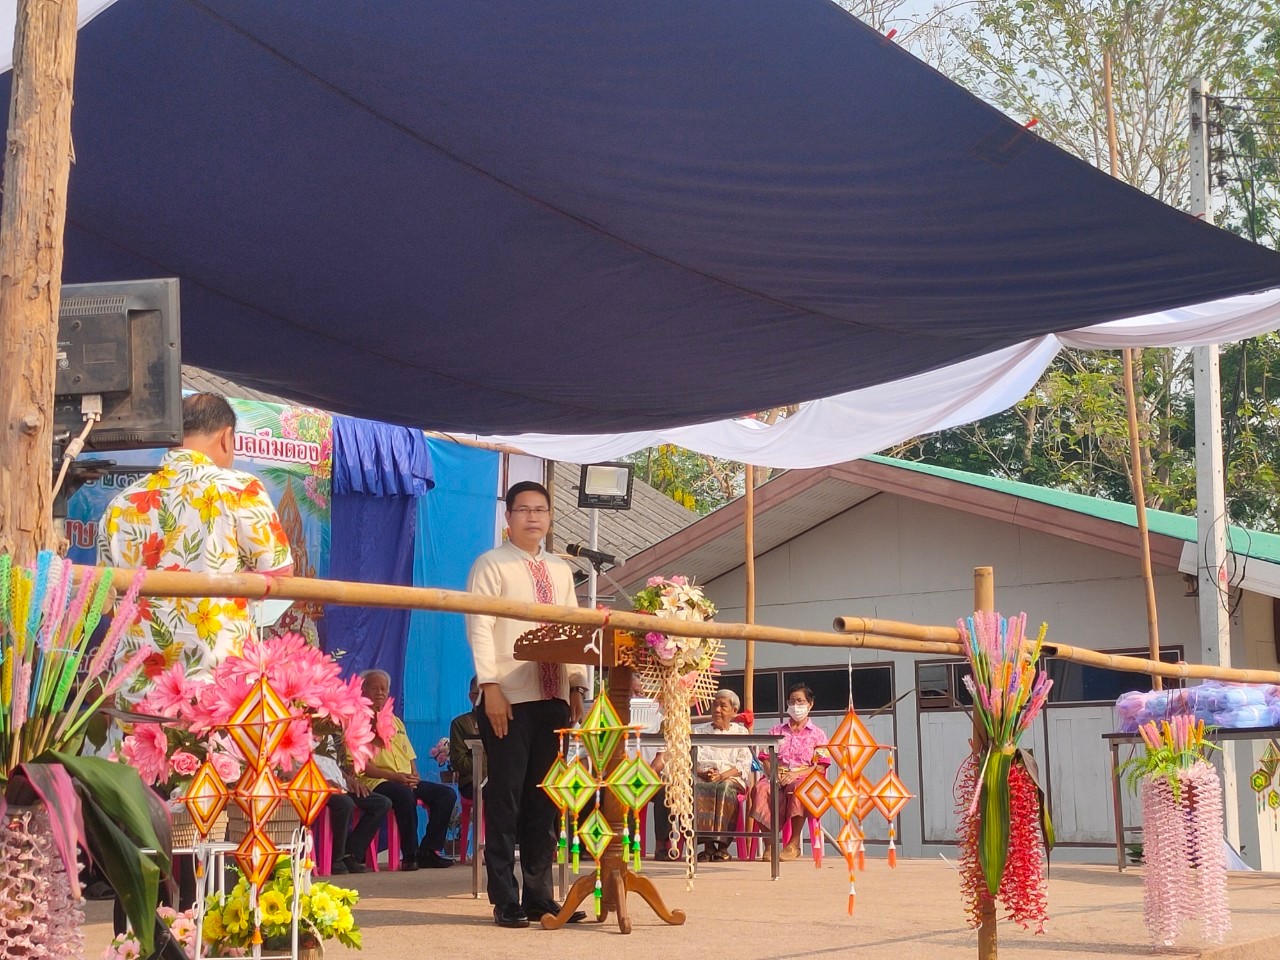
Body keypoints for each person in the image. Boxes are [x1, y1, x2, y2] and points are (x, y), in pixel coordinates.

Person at [98, 392, 293, 704]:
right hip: (217, 695)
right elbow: (280, 575)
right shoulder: (239, 489)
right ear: (226, 438)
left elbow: (106, 602)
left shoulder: (120, 504)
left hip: (137, 693)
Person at [466, 480, 589, 929]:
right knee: (506, 798)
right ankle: (505, 898)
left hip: (552, 697)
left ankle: (540, 897)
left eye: (541, 510)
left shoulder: (560, 569)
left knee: (545, 801)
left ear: (551, 517)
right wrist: (490, 685)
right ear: (508, 517)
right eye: (523, 510)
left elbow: (575, 628)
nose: (533, 517)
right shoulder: (491, 564)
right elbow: (480, 625)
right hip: (509, 697)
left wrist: (576, 686)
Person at [357, 670, 457, 870]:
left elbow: (409, 755)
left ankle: (429, 850)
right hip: (377, 781)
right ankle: (410, 855)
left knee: (445, 795)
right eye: (375, 688)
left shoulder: (395, 721)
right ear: (362, 690)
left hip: (403, 779)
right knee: (404, 795)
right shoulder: (357, 721)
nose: (380, 692)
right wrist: (394, 777)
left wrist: (414, 775)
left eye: (384, 688)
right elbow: (361, 766)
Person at [749, 682, 830, 861]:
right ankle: (770, 844)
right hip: (777, 774)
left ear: (810, 704)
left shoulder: (818, 734)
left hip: (803, 776)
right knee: (761, 789)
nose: (795, 706)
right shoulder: (776, 731)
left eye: (800, 701)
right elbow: (765, 758)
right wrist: (774, 774)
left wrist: (796, 774)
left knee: (798, 789)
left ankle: (793, 844)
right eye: (792, 701)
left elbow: (821, 765)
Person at [312, 738, 393, 875]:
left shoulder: (328, 736)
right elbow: (293, 770)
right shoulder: (298, 735)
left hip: (340, 785)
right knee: (345, 803)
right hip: (316, 788)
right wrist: (321, 781)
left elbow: (334, 765)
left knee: (382, 803)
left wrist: (350, 780)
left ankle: (351, 853)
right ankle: (336, 859)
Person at [693, 689, 754, 862]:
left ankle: (722, 846)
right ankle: (708, 846)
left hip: (731, 777)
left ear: (734, 711)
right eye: (714, 705)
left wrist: (723, 775)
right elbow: (692, 760)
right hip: (704, 776)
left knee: (724, 788)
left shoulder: (741, 732)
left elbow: (744, 763)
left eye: (722, 706)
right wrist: (703, 773)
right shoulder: (699, 731)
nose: (717, 710)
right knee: (701, 788)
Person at [448, 677, 481, 800]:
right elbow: (458, 762)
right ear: (472, 697)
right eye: (484, 694)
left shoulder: (505, 723)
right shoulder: (460, 723)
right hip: (472, 781)